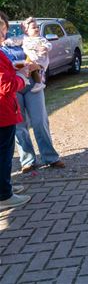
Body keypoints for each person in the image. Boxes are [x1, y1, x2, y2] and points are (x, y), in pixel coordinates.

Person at [0, 26, 64, 174]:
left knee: (40, 121)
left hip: (32, 83)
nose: (3, 31)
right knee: (19, 126)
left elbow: (42, 55)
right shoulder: (3, 46)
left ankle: (50, 157)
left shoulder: (27, 40)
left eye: (4, 26)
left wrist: (38, 64)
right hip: (13, 87)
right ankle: (27, 160)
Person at [0, 11, 31, 210]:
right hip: (3, 112)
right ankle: (4, 195)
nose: (3, 34)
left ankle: (5, 187)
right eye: (1, 30)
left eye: (4, 28)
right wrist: (22, 78)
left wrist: (13, 68)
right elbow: (4, 85)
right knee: (3, 154)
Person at [21, 17, 51, 93]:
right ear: (26, 31)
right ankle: (28, 80)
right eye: (33, 28)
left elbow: (49, 44)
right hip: (31, 57)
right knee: (29, 68)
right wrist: (7, 41)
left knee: (31, 67)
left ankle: (39, 83)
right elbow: (15, 40)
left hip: (39, 59)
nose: (37, 29)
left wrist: (45, 48)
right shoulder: (24, 39)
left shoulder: (41, 39)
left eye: (37, 27)